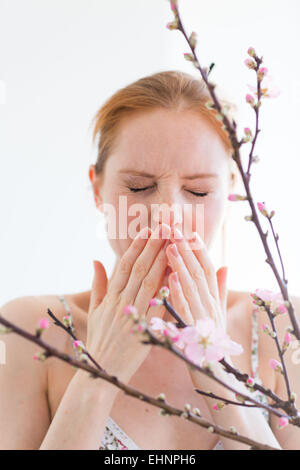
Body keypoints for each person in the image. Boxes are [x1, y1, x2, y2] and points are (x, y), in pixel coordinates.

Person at [1, 70, 300, 450]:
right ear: (97, 189)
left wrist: (215, 371)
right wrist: (99, 374)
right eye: (139, 187)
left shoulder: (280, 329)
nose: (167, 216)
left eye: (197, 190)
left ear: (229, 192)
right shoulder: (29, 331)